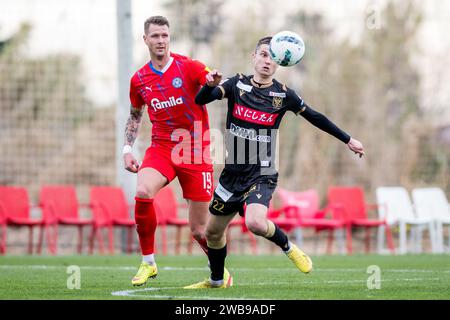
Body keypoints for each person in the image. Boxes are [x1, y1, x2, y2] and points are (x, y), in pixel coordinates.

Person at [184, 36, 365, 289]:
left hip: (262, 172)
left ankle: (288, 247)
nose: (268, 61)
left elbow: (315, 117)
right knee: (212, 233)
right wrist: (208, 84)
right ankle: (216, 281)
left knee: (255, 223)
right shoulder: (236, 84)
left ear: (281, 62)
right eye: (264, 55)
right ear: (254, 56)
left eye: (273, 57)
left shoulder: (283, 94)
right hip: (232, 174)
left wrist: (347, 139)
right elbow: (201, 100)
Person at [124, 16, 216, 286]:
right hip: (162, 147)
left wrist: (211, 82)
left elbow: (208, 79)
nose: (161, 40)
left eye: (164, 35)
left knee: (200, 230)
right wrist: (127, 148)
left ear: (169, 37)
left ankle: (219, 270)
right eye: (155, 36)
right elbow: (134, 116)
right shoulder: (139, 79)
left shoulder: (189, 66)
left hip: (195, 150)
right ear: (146, 40)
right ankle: (148, 262)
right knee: (142, 192)